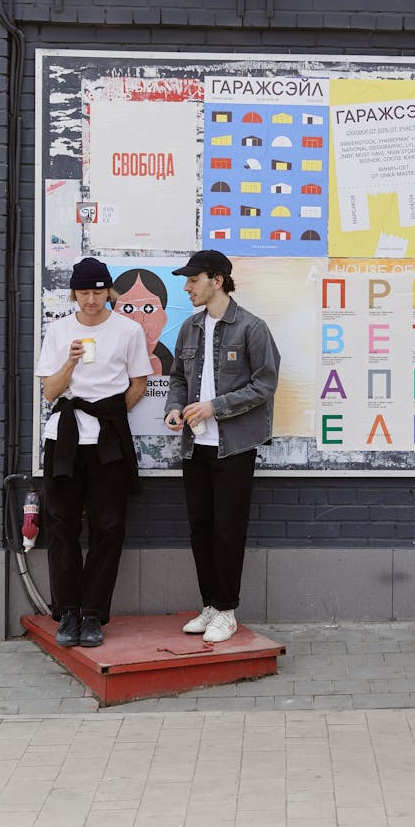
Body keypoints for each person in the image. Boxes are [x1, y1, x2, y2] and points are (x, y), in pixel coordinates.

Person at [164, 250, 280, 644]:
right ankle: (210, 605)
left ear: (216, 280)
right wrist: (175, 407)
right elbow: (178, 377)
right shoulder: (189, 328)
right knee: (200, 529)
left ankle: (227, 610)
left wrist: (216, 407)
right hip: (195, 446)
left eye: (193, 279)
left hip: (233, 447)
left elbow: (265, 385)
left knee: (228, 530)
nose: (187, 286)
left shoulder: (252, 328)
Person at [36, 257, 152, 648]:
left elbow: (138, 383)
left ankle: (93, 614)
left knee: (109, 527)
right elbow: (50, 391)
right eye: (84, 292)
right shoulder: (57, 331)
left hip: (107, 441)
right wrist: (69, 362)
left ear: (108, 292)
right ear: (74, 293)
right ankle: (67, 612)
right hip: (64, 437)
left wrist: (110, 417)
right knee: (61, 524)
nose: (91, 299)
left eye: (98, 291)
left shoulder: (128, 330)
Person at [112, 267, 174, 375]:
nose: (138, 320)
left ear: (163, 318)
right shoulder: (106, 361)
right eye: (127, 309)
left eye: (149, 309)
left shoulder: (173, 366)